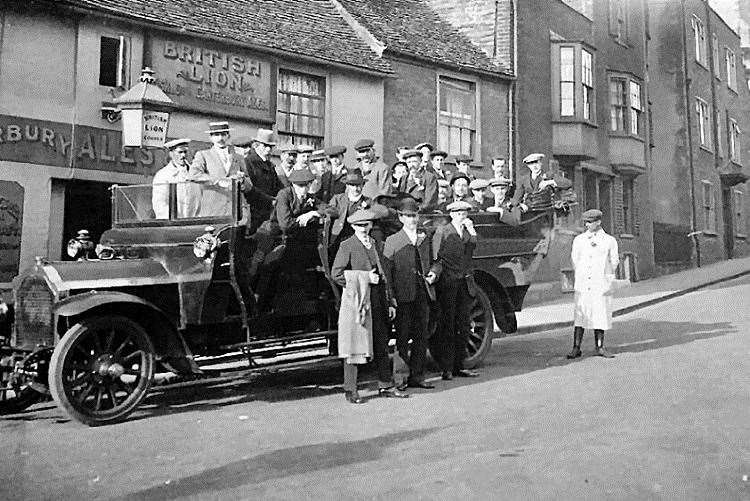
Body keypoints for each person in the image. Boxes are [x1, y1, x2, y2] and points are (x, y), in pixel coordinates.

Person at [332, 208, 407, 403]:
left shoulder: (376, 244)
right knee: (355, 345)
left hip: (378, 299)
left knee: (381, 344)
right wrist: (364, 279)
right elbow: (336, 274)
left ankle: (385, 385)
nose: (363, 229)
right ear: (353, 226)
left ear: (372, 225)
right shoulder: (347, 245)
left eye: (366, 225)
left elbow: (384, 275)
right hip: (358, 301)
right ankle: (351, 390)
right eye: (359, 225)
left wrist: (390, 301)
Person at [383, 198, 441, 390]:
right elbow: (387, 273)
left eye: (415, 215)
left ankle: (418, 376)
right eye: (408, 216)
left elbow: (436, 261)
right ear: (400, 218)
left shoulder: (425, 238)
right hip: (402, 296)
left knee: (421, 336)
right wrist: (391, 298)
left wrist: (434, 273)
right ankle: (400, 379)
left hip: (422, 293)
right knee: (402, 337)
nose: (412, 220)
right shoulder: (392, 241)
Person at [432, 200, 480, 380]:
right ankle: (447, 368)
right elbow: (436, 257)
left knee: (464, 324)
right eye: (459, 214)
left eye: (465, 214)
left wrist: (472, 231)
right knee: (448, 325)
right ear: (452, 215)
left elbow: (472, 249)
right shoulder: (443, 231)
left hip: (464, 282)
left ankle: (460, 365)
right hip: (448, 283)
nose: (462, 217)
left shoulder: (467, 233)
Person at [568, 209, 620, 359]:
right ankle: (576, 347)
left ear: (599, 222)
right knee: (580, 315)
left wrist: (604, 277)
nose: (587, 225)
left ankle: (600, 347)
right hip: (584, 282)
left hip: (600, 282)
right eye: (586, 222)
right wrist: (582, 274)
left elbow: (614, 261)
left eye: (591, 222)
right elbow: (575, 260)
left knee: (600, 313)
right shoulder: (579, 240)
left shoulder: (609, 240)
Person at [188, 121, 251, 217]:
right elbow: (193, 175)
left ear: (228, 136)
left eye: (223, 134)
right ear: (211, 138)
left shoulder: (238, 157)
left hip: (236, 211)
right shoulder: (203, 155)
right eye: (216, 135)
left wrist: (242, 182)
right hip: (213, 211)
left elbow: (249, 185)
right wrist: (219, 181)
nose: (220, 138)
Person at [242, 129, 284, 233]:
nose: (268, 149)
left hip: (269, 211)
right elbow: (250, 189)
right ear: (256, 145)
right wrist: (270, 200)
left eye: (271, 146)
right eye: (265, 146)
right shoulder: (248, 162)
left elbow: (278, 186)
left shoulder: (269, 164)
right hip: (255, 211)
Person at [324, 169, 373, 247]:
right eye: (352, 185)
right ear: (347, 185)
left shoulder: (369, 202)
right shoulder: (338, 198)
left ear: (363, 185)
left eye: (358, 185)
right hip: (338, 237)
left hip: (358, 239)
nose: (355, 188)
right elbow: (328, 211)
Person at [152, 138, 197, 219]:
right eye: (180, 152)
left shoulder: (195, 173)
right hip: (174, 224)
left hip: (193, 223)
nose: (183, 155)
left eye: (185, 152)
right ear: (171, 154)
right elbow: (160, 204)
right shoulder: (163, 175)